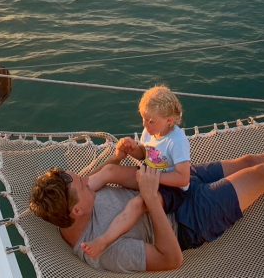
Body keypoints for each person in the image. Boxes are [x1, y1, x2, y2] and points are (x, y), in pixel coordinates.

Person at [30, 88, 264, 273]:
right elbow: (172, 260)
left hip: (171, 184)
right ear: (76, 212)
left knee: (248, 161)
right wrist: (151, 200)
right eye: (82, 185)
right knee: (262, 175)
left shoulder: (73, 200)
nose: (87, 180)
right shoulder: (103, 252)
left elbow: (104, 175)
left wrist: (121, 156)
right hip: (186, 220)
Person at [80, 85, 191, 259]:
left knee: (136, 205)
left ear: (169, 121)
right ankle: (78, 191)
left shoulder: (177, 141)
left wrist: (153, 178)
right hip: (147, 174)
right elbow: (146, 154)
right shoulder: (150, 131)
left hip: (171, 189)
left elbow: (183, 178)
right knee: (110, 170)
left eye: (150, 121)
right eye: (143, 119)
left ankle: (103, 242)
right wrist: (133, 149)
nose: (145, 124)